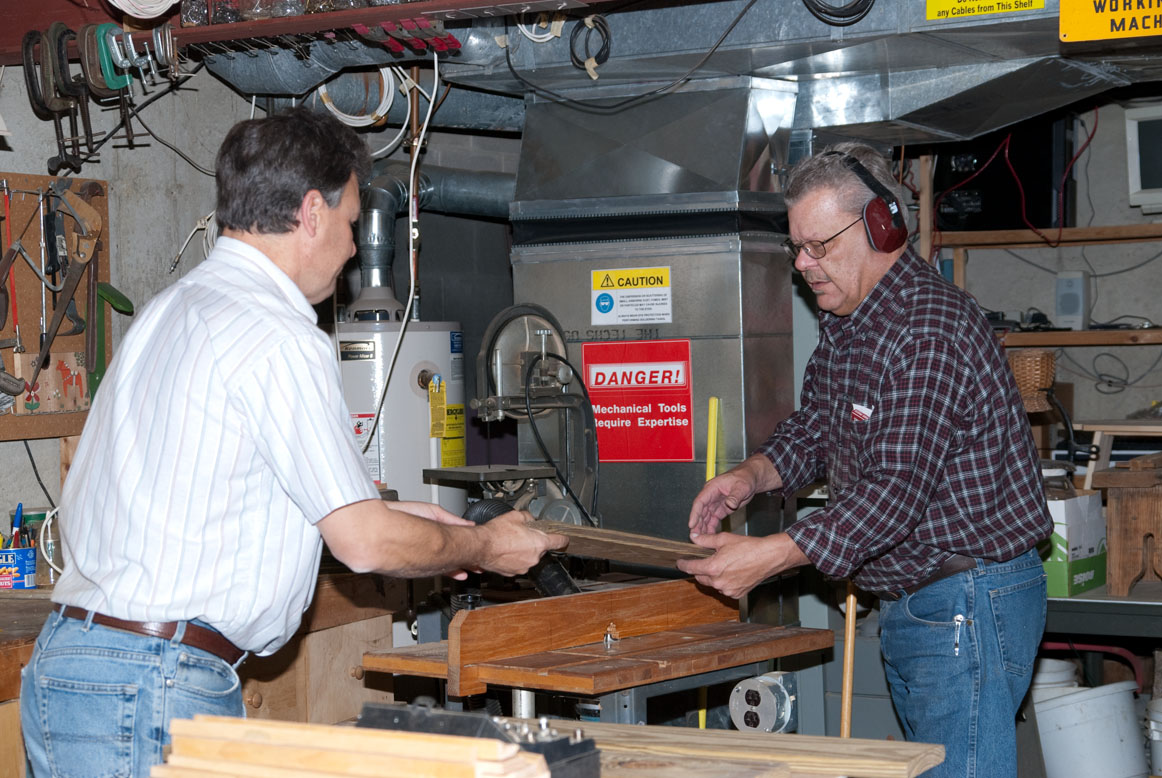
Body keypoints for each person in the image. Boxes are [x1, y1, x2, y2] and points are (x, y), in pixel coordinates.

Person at [21, 108, 566, 778]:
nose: (351, 249)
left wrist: (407, 519)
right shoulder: (278, 333)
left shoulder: (172, 311)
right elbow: (363, 543)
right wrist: (485, 547)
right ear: (311, 213)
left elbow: (228, 490)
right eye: (349, 223)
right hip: (152, 683)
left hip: (76, 667)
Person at [678, 143, 1053, 778]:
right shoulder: (850, 323)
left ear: (882, 225)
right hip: (924, 597)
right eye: (797, 247)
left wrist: (773, 556)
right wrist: (750, 476)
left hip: (967, 596)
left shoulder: (927, 328)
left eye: (818, 246)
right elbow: (817, 430)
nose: (803, 264)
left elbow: (893, 493)